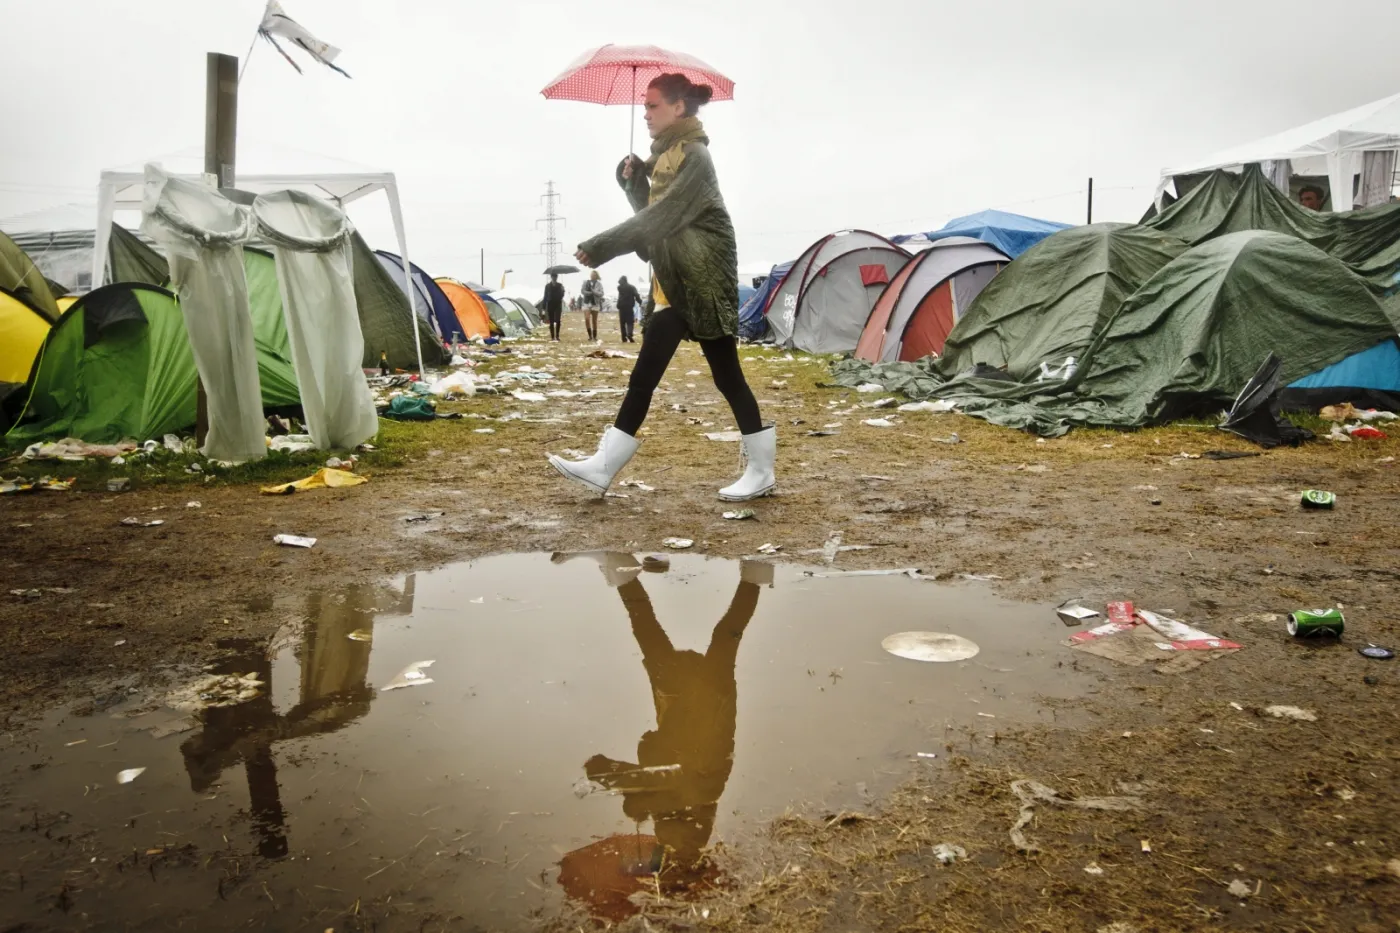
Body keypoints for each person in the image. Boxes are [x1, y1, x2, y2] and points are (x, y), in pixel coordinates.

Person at [548, 73, 776, 502]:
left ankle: (762, 471)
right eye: (646, 106)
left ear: (678, 108)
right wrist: (634, 183)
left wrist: (602, 246)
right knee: (643, 378)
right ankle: (603, 467)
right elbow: (656, 226)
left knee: (728, 378)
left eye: (653, 106)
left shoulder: (696, 158)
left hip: (703, 281)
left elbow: (665, 216)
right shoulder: (665, 159)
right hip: (671, 284)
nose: (646, 114)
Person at [540, 273, 565, 342]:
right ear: (551, 277)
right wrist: (543, 307)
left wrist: (563, 291)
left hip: (558, 304)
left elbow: (562, 295)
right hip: (550, 304)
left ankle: (557, 335)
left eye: (555, 276)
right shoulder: (547, 286)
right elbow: (545, 296)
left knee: (558, 320)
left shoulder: (560, 285)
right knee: (551, 321)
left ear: (557, 277)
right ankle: (552, 336)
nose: (554, 278)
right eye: (553, 276)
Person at [581, 269, 605, 341]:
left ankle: (594, 336)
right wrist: (589, 293)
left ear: (596, 276)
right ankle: (590, 335)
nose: (592, 276)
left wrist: (594, 292)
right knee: (587, 318)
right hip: (587, 302)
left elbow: (601, 293)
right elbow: (582, 291)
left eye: (594, 275)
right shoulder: (586, 282)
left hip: (595, 303)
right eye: (591, 275)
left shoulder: (599, 284)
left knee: (594, 320)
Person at [616, 275, 640, 343]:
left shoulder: (619, 288)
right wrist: (640, 301)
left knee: (622, 323)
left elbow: (619, 297)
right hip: (629, 307)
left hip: (621, 307)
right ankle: (629, 334)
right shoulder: (632, 287)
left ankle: (624, 338)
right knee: (630, 322)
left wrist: (618, 304)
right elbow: (636, 295)